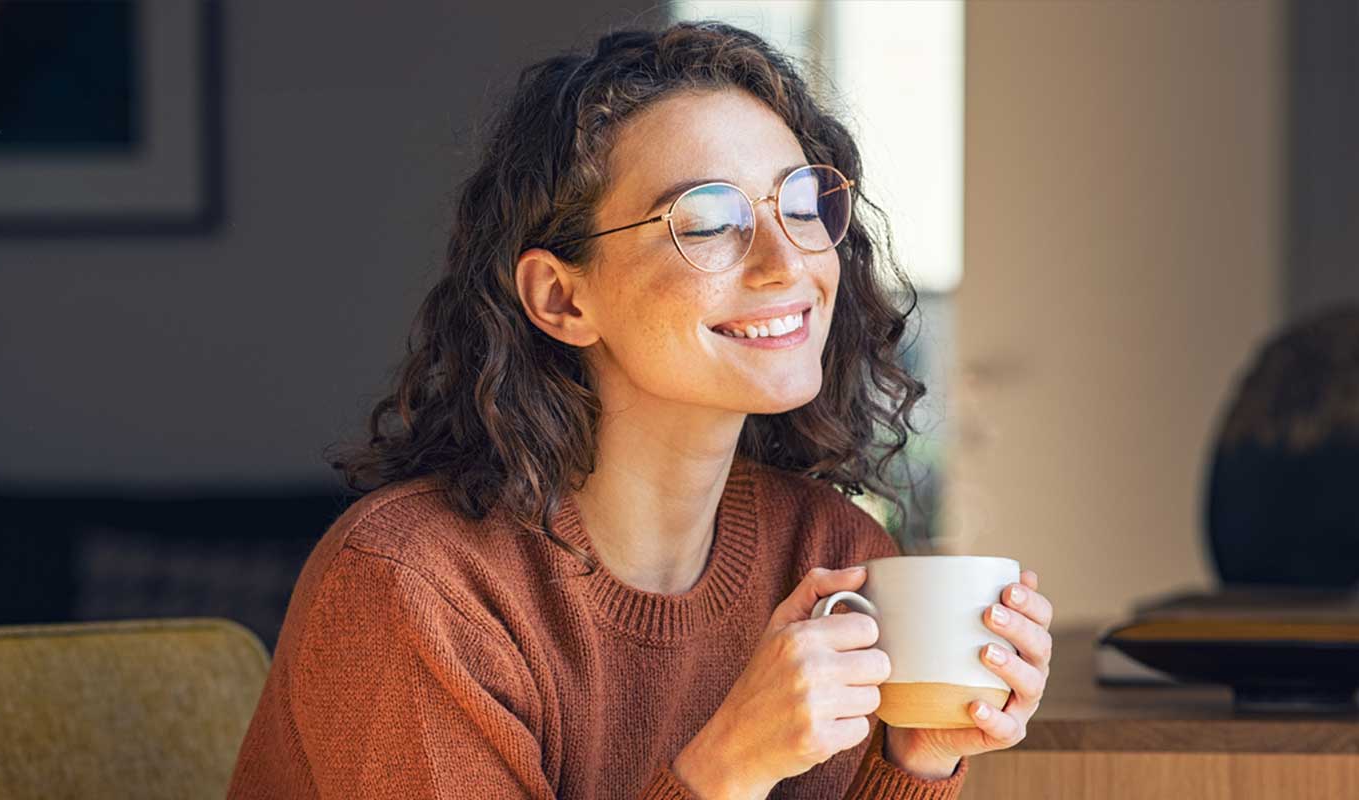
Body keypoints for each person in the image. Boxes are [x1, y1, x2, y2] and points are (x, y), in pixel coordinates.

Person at [228, 19, 1054, 800]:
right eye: (707, 220)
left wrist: (918, 757)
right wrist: (724, 770)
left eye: (800, 205)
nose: (785, 263)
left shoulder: (829, 554)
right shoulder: (416, 590)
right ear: (561, 298)